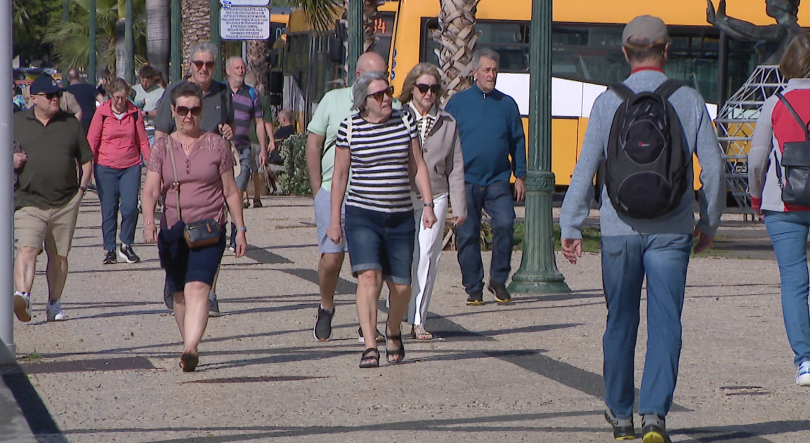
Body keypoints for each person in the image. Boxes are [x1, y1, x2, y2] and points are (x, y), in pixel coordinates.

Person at [559, 15, 724, 442]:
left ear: (624, 52)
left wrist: (571, 224)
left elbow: (584, 169)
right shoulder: (688, 99)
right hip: (672, 228)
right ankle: (654, 416)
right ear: (666, 51)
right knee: (666, 322)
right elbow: (715, 170)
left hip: (618, 229)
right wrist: (707, 221)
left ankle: (620, 416)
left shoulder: (607, 101)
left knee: (620, 322)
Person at [327, 71, 436, 367]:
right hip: (363, 215)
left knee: (401, 287)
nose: (387, 98)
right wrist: (335, 220)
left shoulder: (404, 121)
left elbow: (417, 165)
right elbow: (339, 178)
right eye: (379, 95)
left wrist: (428, 205)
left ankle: (393, 329)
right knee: (369, 278)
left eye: (387, 92)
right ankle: (370, 346)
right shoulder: (349, 127)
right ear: (364, 102)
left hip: (400, 216)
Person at [142, 82, 247, 372]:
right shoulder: (162, 147)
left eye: (195, 109)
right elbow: (151, 189)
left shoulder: (217, 145)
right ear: (173, 111)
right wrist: (149, 222)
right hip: (174, 229)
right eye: (184, 110)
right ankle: (190, 341)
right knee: (178, 292)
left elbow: (230, 191)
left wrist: (240, 229)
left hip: (210, 229)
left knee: (199, 287)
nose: (190, 115)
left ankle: (190, 348)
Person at [305, 52, 396, 342]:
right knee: (332, 258)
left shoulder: (391, 105)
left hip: (372, 194)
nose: (382, 85)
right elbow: (313, 143)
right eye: (374, 77)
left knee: (371, 265)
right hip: (334, 192)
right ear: (358, 77)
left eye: (385, 77)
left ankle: (366, 324)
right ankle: (326, 305)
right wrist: (317, 187)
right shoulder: (333, 100)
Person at [154, 42, 234, 316]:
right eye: (199, 64)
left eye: (209, 64)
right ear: (190, 65)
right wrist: (164, 164)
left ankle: (209, 290)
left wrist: (227, 132)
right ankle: (176, 281)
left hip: (213, 170)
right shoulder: (175, 92)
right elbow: (162, 131)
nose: (204, 69)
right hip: (180, 170)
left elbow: (228, 124)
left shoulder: (223, 92)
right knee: (180, 235)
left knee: (214, 229)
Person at [748, 34, 810, 388]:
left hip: (782, 203)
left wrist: (757, 198)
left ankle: (805, 361)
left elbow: (756, 161)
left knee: (794, 281)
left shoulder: (774, 104)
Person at [444, 48, 527, 306]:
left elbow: (517, 140)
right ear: (474, 73)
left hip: (498, 180)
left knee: (505, 223)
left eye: (495, 70)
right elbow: (445, 139)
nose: (491, 75)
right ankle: (474, 287)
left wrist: (520, 174)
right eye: (487, 70)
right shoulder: (457, 103)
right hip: (465, 180)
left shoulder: (507, 104)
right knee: (467, 234)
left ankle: (498, 280)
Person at [12, 74, 93, 323]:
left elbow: (87, 159)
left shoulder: (70, 123)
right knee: (27, 248)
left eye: (58, 95)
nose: (56, 99)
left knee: (58, 257)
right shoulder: (16, 121)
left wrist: (81, 191)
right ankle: (22, 296)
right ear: (33, 98)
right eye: (50, 96)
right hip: (28, 199)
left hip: (65, 201)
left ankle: (54, 303)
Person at [398, 63, 466, 340]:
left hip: (436, 195)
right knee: (402, 258)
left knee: (427, 255)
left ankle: (418, 321)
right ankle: (396, 312)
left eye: (433, 89)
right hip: (400, 195)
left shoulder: (448, 123)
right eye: (423, 88)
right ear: (412, 89)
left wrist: (459, 206)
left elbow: (456, 165)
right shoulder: (396, 116)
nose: (428, 94)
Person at [86, 77, 150, 265]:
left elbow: (143, 141)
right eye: (116, 97)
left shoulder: (134, 113)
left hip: (130, 165)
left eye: (123, 97)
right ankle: (110, 249)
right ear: (110, 96)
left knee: (130, 207)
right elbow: (92, 140)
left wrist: (153, 164)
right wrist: (88, 166)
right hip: (105, 166)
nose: (120, 102)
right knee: (109, 208)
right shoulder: (102, 113)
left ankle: (127, 244)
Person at [225, 57, 269, 209]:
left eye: (242, 67)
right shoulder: (220, 91)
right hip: (223, 148)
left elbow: (259, 122)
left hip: (243, 148)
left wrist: (263, 148)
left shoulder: (252, 94)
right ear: (228, 71)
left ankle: (236, 222)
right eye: (237, 68)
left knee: (240, 183)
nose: (241, 70)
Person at [132, 65, 166, 145]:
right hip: (135, 132)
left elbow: (163, 113)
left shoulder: (162, 92)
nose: (144, 83)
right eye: (142, 80)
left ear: (153, 78)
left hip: (151, 133)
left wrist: (147, 114)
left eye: (147, 80)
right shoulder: (134, 90)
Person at [66, 68, 100, 134]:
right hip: (90, 121)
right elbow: (102, 100)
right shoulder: (90, 88)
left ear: (68, 78)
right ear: (79, 77)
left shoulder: (66, 91)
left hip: (72, 123)